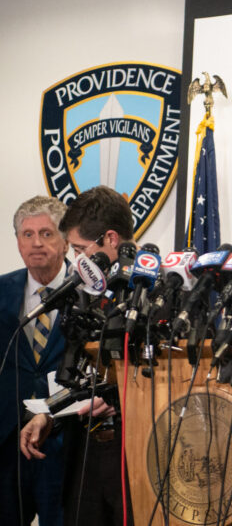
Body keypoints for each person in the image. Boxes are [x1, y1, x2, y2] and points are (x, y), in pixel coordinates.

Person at [20, 185, 134, 526]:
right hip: (84, 453)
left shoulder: (157, 288)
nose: (78, 259)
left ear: (111, 239)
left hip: (134, 454)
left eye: (82, 249)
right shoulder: (84, 289)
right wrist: (49, 413)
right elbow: (76, 374)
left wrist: (120, 399)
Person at [0, 196, 68, 526]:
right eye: (27, 234)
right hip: (7, 445)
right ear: (17, 242)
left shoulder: (92, 293)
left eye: (46, 233)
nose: (36, 243)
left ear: (65, 241)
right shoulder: (2, 290)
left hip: (66, 445)